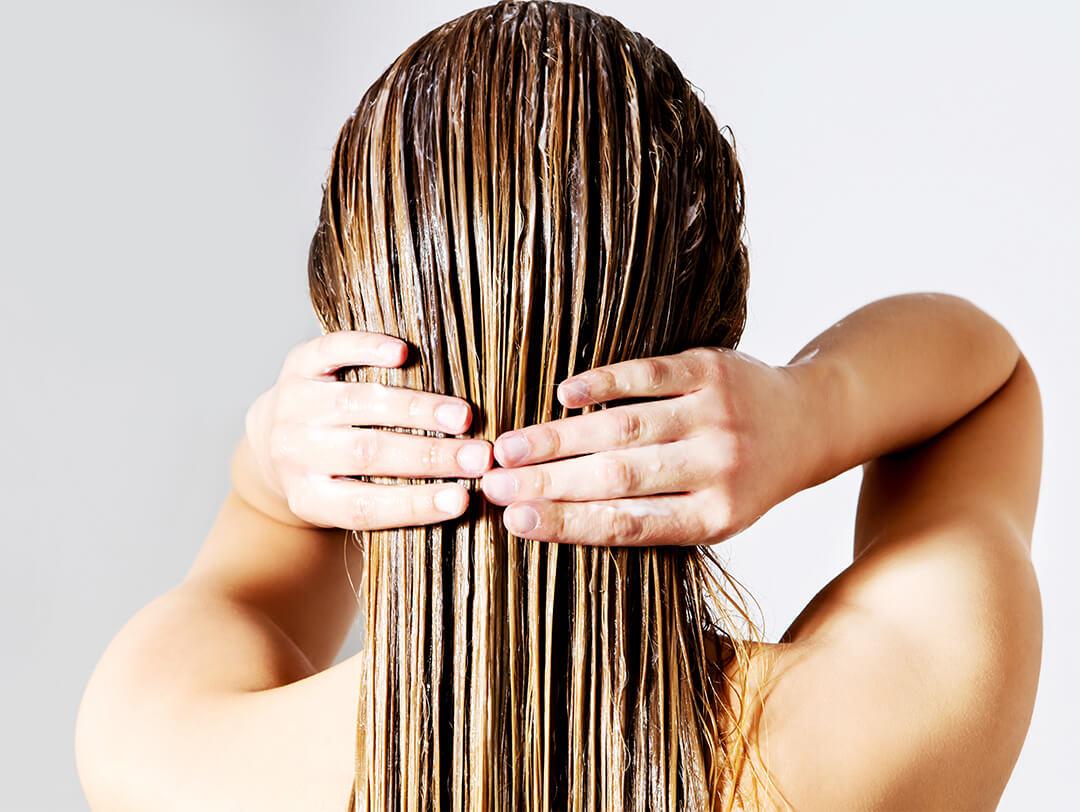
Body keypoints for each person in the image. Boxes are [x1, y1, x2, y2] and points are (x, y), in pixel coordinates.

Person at [75, 2, 1042, 809]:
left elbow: (245, 570)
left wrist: (270, 462)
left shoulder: (170, 752)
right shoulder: (881, 731)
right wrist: (814, 406)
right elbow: (989, 383)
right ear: (709, 350)